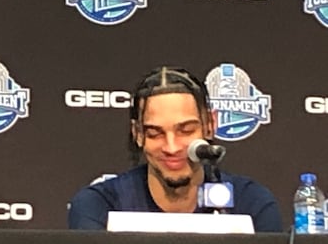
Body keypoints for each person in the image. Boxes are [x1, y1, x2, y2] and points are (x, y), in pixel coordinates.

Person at [68, 66, 282, 232]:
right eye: (155, 133)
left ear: (210, 124)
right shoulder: (99, 206)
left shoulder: (252, 204)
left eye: (186, 130)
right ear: (138, 134)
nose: (171, 147)